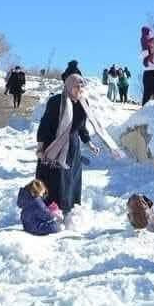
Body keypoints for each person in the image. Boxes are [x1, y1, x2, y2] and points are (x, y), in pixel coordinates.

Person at [36, 74, 121, 216]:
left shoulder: (83, 103)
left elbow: (81, 127)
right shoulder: (56, 102)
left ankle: (67, 210)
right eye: (76, 86)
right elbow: (44, 125)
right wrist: (40, 147)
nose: (80, 89)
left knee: (69, 180)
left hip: (72, 148)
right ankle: (47, 210)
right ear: (69, 86)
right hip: (54, 145)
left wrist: (88, 143)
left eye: (82, 86)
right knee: (54, 179)